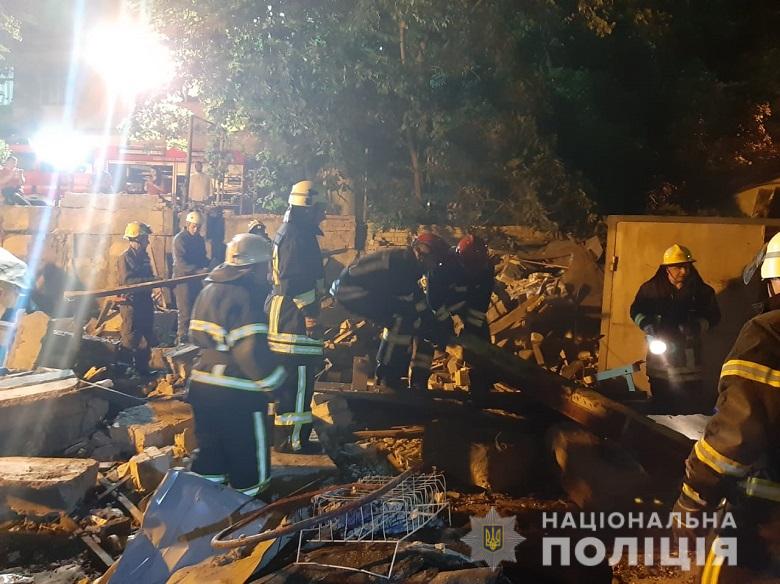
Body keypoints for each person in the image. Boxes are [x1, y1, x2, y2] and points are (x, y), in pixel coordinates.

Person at [673, 232, 780, 583]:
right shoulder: (655, 291)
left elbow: (735, 435)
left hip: (764, 527)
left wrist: (693, 499)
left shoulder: (769, 334)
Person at [188, 233, 286, 496]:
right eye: (266, 266)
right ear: (253, 267)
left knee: (211, 459)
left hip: (203, 387)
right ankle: (251, 514)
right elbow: (250, 352)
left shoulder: (208, 289)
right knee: (249, 465)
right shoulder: (246, 295)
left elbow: (195, 335)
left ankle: (207, 510)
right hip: (237, 395)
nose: (268, 273)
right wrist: (277, 385)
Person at [332, 232, 451, 391]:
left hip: (361, 290)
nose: (435, 265)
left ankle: (406, 378)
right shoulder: (402, 265)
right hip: (350, 292)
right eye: (435, 260)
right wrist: (430, 323)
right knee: (401, 320)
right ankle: (386, 377)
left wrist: (432, 321)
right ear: (422, 253)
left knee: (411, 317)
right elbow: (407, 301)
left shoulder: (409, 262)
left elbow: (415, 297)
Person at [265, 180, 327, 453]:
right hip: (294, 319)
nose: (323, 215)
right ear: (307, 206)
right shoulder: (296, 236)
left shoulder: (292, 232)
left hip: (287, 315)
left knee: (289, 383)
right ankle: (294, 442)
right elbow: (295, 281)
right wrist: (310, 314)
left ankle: (283, 438)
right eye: (320, 209)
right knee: (299, 382)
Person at [629, 244, 720, 414]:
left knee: (689, 409)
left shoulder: (701, 291)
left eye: (687, 267)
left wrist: (696, 326)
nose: (684, 271)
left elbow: (714, 316)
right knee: (662, 405)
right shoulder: (650, 290)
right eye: (678, 267)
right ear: (667, 269)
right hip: (660, 363)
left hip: (690, 366)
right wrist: (646, 324)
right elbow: (636, 310)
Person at [418, 234, 495, 398]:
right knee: (427, 333)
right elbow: (434, 300)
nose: (473, 271)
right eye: (470, 266)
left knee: (481, 335)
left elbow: (483, 298)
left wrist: (472, 329)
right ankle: (418, 382)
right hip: (440, 304)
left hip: (466, 303)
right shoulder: (442, 265)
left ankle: (481, 384)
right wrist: (446, 325)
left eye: (476, 267)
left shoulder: (486, 267)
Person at [117, 222, 158, 376]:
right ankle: (122, 372)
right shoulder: (124, 258)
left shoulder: (145, 257)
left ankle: (142, 370)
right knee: (130, 338)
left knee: (146, 336)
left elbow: (149, 276)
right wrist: (150, 281)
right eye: (145, 239)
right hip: (131, 303)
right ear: (136, 240)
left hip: (145, 301)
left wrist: (154, 281)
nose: (147, 243)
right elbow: (127, 281)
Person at [173, 210, 210, 343]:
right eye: (194, 226)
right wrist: (198, 271)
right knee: (185, 312)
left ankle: (194, 340)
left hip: (195, 279)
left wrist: (211, 265)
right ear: (188, 224)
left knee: (196, 310)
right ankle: (182, 339)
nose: (196, 230)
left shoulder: (199, 240)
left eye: (198, 227)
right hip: (183, 280)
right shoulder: (180, 239)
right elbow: (181, 263)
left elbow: (202, 258)